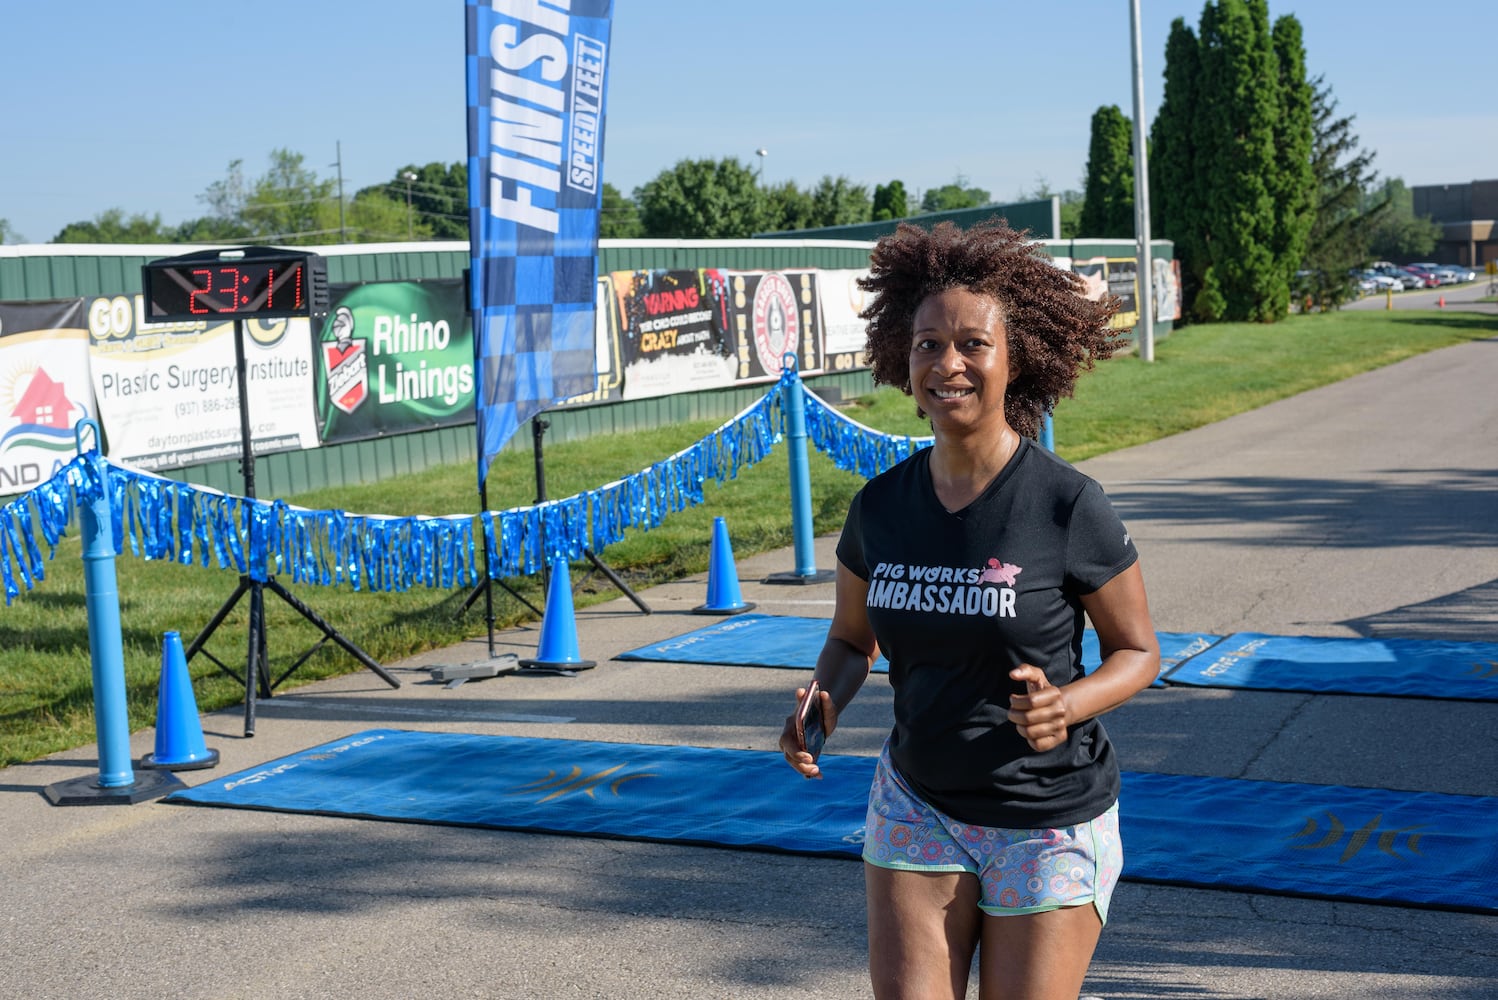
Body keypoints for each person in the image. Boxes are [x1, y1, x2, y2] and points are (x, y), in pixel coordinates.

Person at [779, 219, 1159, 999]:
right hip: (918, 804)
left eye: (972, 345)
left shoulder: (1067, 505)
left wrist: (1067, 705)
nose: (948, 363)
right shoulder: (880, 508)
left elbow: (1138, 651)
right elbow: (852, 642)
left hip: (1047, 820)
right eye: (927, 345)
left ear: (1014, 360)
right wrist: (823, 702)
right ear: (902, 358)